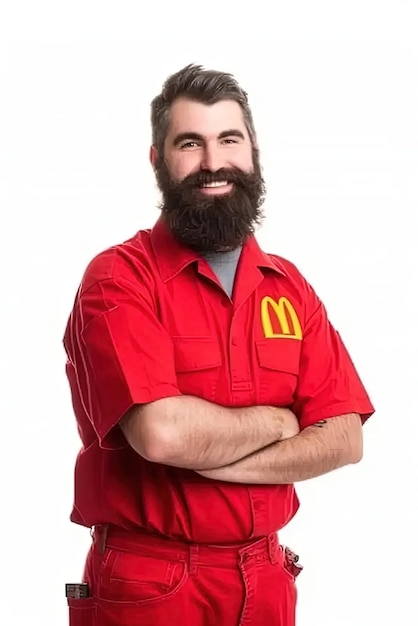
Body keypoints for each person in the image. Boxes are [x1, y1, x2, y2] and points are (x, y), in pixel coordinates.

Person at [63, 63, 375, 626]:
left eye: (229, 140)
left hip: (268, 573)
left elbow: (346, 437)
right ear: (159, 159)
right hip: (149, 582)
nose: (213, 163)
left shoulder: (289, 286)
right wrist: (281, 424)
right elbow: (161, 434)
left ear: (252, 150)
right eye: (190, 143)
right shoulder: (119, 279)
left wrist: (211, 459)